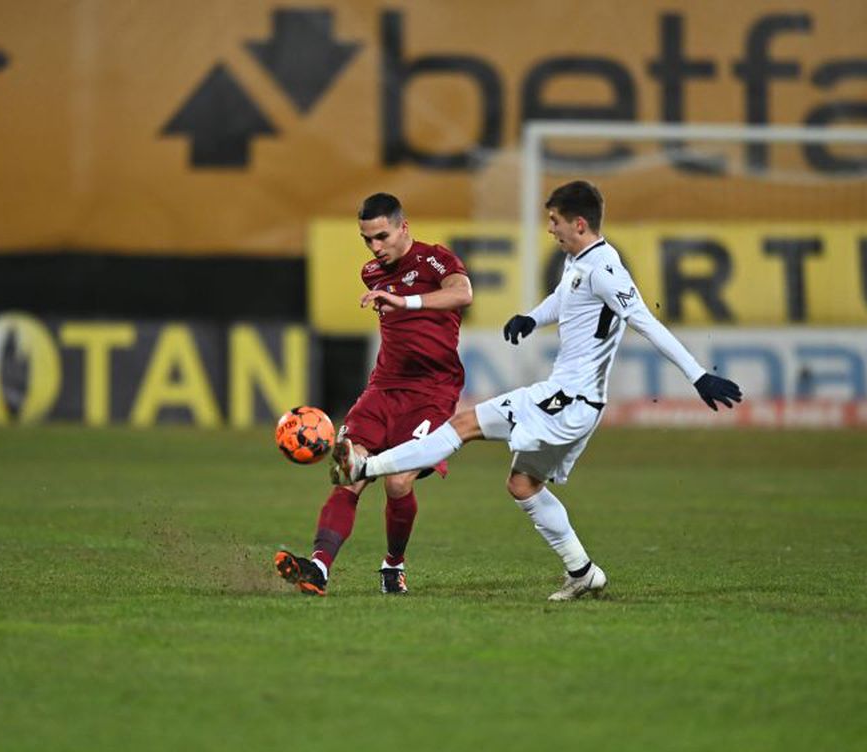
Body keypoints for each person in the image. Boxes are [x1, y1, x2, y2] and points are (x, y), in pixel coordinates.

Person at [329, 180, 742, 601]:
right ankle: (583, 572)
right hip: (578, 403)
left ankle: (366, 467)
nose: (550, 229)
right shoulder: (582, 260)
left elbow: (646, 322)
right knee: (523, 484)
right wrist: (532, 318)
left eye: (555, 221)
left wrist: (697, 376)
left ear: (578, 223)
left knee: (464, 425)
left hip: (568, 398)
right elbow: (564, 298)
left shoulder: (605, 271)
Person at [274, 193, 474, 595]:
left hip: (432, 393)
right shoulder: (371, 273)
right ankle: (318, 568)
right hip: (382, 390)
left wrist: (404, 300)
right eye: (367, 239)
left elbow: (462, 293)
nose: (375, 247)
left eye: (382, 236)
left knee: (398, 481)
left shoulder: (434, 259)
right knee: (348, 473)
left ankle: (393, 565)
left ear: (404, 227)